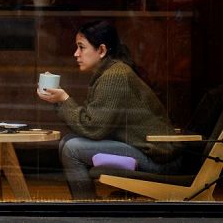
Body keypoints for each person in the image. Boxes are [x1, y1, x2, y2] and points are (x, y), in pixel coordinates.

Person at [36, 19, 183, 200]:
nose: (76, 54)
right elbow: (96, 123)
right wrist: (60, 101)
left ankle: (87, 209)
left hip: (160, 160)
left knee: (71, 148)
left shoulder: (115, 76)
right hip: (147, 150)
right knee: (68, 141)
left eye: (81, 47)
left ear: (102, 50)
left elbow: (93, 129)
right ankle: (86, 204)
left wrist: (64, 100)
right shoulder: (110, 72)